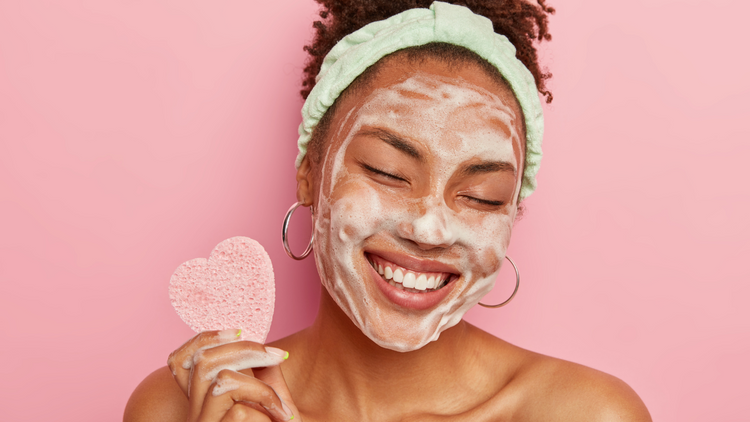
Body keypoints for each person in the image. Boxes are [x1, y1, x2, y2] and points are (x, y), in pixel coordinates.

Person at [125, 1, 652, 420]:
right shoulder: (183, 408)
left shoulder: (585, 414)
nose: (429, 227)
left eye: (482, 196)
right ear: (310, 171)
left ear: (512, 214)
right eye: (387, 171)